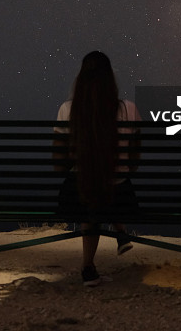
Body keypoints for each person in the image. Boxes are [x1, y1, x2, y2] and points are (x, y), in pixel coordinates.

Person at [53, 50, 141, 286]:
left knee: (88, 186)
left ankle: (88, 267)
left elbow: (58, 163)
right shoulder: (129, 110)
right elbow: (134, 160)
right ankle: (119, 234)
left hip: (77, 196)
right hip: (120, 196)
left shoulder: (67, 110)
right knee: (106, 184)